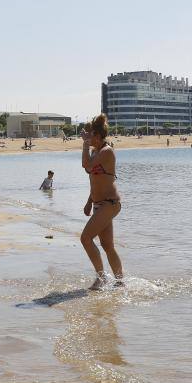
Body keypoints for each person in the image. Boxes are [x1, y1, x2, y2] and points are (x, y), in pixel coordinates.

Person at [80, 114, 123, 290]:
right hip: (99, 204)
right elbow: (95, 179)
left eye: (88, 135)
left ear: (96, 135)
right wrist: (89, 201)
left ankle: (102, 278)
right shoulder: (95, 151)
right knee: (107, 246)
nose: (86, 138)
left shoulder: (106, 152)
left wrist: (83, 144)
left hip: (110, 203)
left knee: (85, 238)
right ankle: (120, 282)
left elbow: (86, 165)